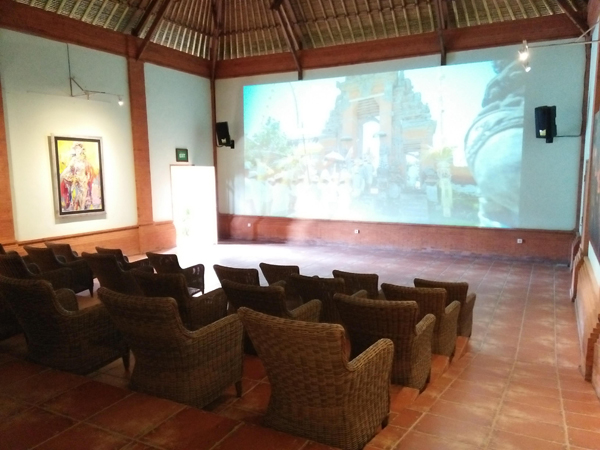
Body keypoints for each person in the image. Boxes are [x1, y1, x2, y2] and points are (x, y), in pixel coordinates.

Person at [60, 142, 96, 211]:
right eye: (76, 149)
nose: (77, 150)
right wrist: (62, 175)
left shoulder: (84, 160)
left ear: (81, 150)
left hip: (83, 181)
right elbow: (68, 169)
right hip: (76, 182)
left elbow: (89, 170)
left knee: (83, 199)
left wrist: (87, 177)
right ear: (74, 150)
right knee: (76, 199)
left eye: (79, 149)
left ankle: (82, 209)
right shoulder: (73, 160)